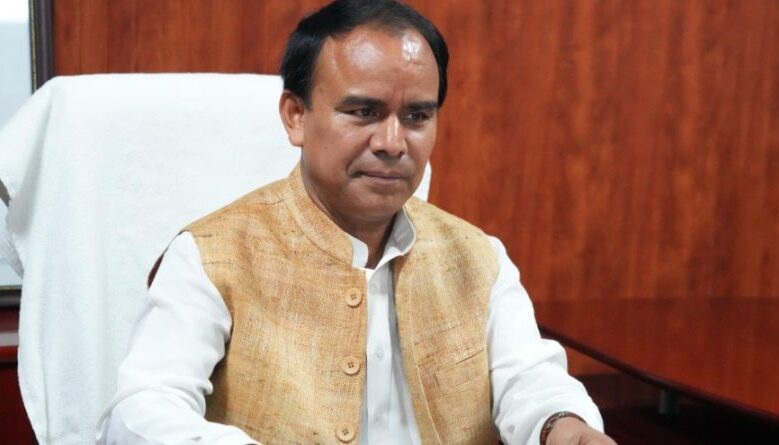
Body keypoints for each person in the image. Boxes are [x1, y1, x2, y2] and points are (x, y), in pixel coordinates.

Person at [98, 1, 616, 444]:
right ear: (296, 116)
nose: (392, 142)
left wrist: (563, 425)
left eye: (417, 116)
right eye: (364, 112)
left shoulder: (479, 257)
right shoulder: (213, 255)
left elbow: (530, 378)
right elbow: (142, 411)